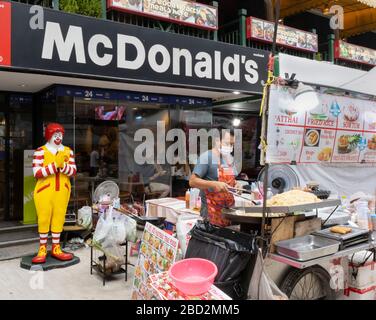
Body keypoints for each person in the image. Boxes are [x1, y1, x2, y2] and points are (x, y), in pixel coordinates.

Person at [32, 123, 77, 264]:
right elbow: (37, 173)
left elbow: (73, 171)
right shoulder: (40, 151)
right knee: (44, 219)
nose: (58, 138)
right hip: (44, 192)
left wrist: (62, 165)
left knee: (59, 218)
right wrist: (54, 165)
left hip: (62, 191)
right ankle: (42, 249)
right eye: (55, 135)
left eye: (60, 135)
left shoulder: (68, 151)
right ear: (49, 135)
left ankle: (56, 248)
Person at [189, 129, 241, 227]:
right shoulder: (206, 157)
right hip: (211, 212)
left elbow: (230, 179)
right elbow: (192, 181)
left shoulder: (229, 159)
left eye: (232, 144)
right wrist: (214, 184)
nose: (230, 147)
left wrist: (236, 184)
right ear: (217, 141)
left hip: (228, 211)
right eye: (227, 143)